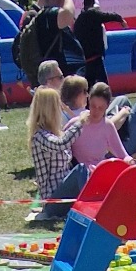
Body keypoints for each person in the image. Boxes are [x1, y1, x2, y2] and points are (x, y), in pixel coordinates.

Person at [28, 86, 90, 217]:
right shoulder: (39, 136)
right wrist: (80, 122)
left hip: (63, 193)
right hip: (53, 201)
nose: (60, 109)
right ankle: (91, 208)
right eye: (57, 105)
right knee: (80, 170)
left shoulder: (53, 133)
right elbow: (61, 144)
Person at [71, 84, 129, 167]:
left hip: (99, 171)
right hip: (79, 173)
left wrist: (131, 161)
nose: (96, 111)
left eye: (101, 108)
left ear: (107, 106)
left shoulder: (108, 126)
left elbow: (122, 154)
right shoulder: (77, 124)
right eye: (93, 106)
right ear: (89, 101)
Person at [73, 0, 122, 85]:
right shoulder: (93, 14)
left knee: (88, 86)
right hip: (95, 57)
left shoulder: (79, 19)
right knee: (104, 86)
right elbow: (108, 16)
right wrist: (120, 19)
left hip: (85, 59)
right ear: (93, 2)